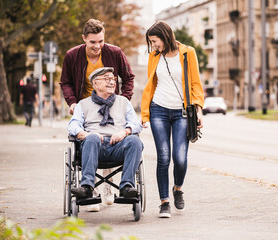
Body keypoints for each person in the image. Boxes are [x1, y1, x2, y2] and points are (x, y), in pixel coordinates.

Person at [60, 19, 135, 209]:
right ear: (84, 38)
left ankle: (109, 189)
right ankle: (90, 187)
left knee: (112, 133)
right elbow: (66, 82)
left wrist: (121, 100)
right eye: (93, 42)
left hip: (111, 102)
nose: (97, 46)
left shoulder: (115, 53)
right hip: (86, 106)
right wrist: (73, 103)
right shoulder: (72, 56)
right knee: (92, 138)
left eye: (101, 41)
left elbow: (128, 77)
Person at [141, 21, 204, 218]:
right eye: (151, 42)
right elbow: (151, 84)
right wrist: (145, 114)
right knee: (164, 157)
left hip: (182, 113)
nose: (153, 46)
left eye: (154, 41)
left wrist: (199, 110)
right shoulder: (154, 57)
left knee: (180, 158)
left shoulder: (188, 53)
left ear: (165, 36)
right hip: (158, 110)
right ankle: (164, 202)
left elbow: (195, 83)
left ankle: (177, 188)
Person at [68, 67, 143, 202]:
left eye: (113, 79)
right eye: (107, 79)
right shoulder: (83, 104)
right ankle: (86, 187)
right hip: (93, 148)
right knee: (92, 138)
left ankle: (126, 186)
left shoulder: (123, 102)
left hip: (118, 147)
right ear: (95, 83)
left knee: (135, 141)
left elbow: (136, 124)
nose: (112, 82)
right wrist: (85, 134)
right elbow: (73, 125)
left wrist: (124, 132)